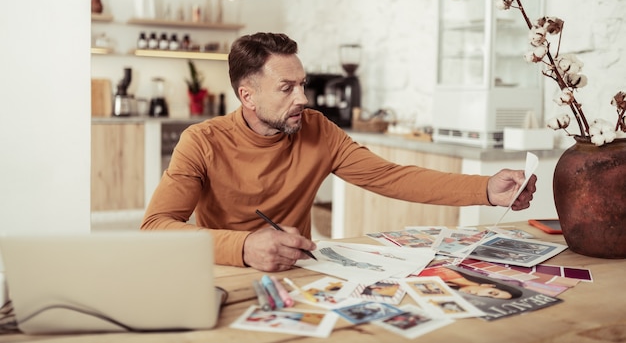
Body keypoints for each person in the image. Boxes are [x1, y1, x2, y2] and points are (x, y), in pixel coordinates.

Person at [141, 32, 537, 272]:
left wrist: (486, 188)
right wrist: (243, 246)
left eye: (303, 84)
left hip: (300, 271)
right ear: (247, 95)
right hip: (226, 269)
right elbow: (156, 227)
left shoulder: (317, 130)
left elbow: (391, 177)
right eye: (286, 88)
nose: (303, 97)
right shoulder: (202, 141)